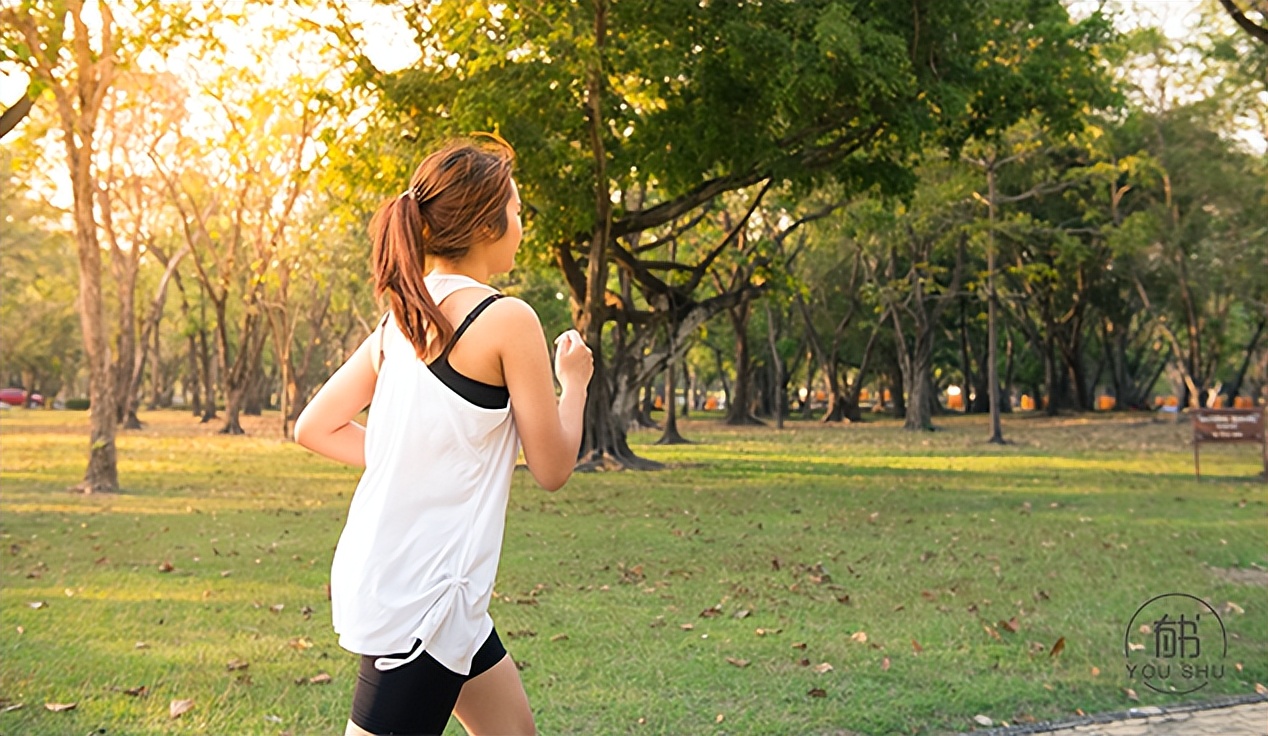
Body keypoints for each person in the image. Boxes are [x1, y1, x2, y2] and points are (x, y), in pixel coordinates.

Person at [294, 136, 592, 736]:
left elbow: (315, 426)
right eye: (516, 210)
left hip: (437, 590)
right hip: (424, 599)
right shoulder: (508, 318)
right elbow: (554, 466)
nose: (521, 225)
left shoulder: (401, 318)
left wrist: (412, 460)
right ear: (486, 222)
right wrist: (575, 382)